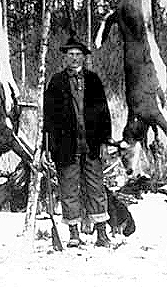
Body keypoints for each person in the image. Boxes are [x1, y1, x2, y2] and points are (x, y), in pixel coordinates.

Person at [43, 36, 113, 248]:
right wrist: (48, 148)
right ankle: (74, 234)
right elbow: (49, 118)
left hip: (91, 144)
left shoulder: (93, 80)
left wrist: (104, 142)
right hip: (66, 145)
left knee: (96, 187)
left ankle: (101, 233)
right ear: (65, 57)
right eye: (70, 54)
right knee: (69, 188)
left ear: (83, 57)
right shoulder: (56, 82)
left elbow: (104, 114)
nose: (74, 58)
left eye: (78, 54)